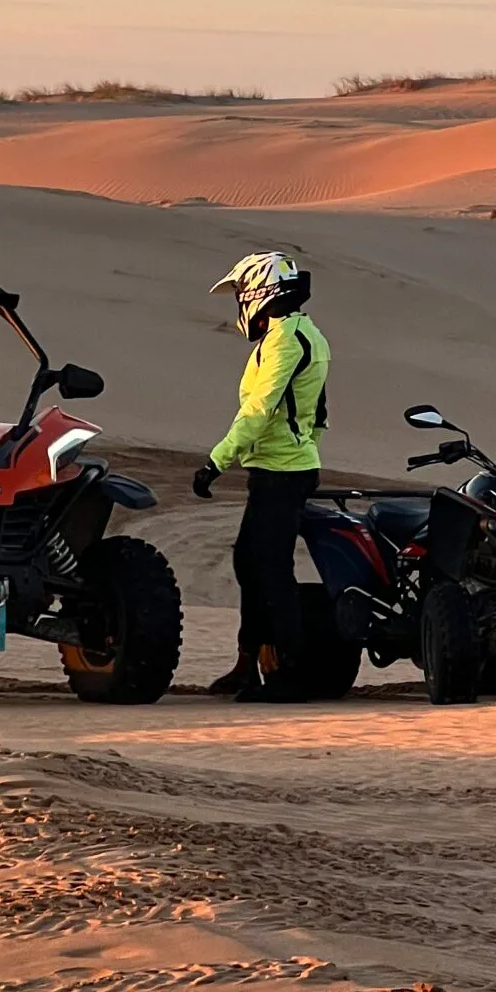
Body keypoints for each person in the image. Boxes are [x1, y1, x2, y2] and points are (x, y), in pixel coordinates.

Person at [193, 251, 330, 700]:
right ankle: (247, 664)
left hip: (283, 472)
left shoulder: (287, 342)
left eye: (240, 293)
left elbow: (258, 408)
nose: (239, 303)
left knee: (271, 570)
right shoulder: (293, 335)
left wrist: (217, 460)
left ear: (259, 293)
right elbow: (317, 413)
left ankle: (290, 672)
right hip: (277, 468)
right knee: (251, 564)